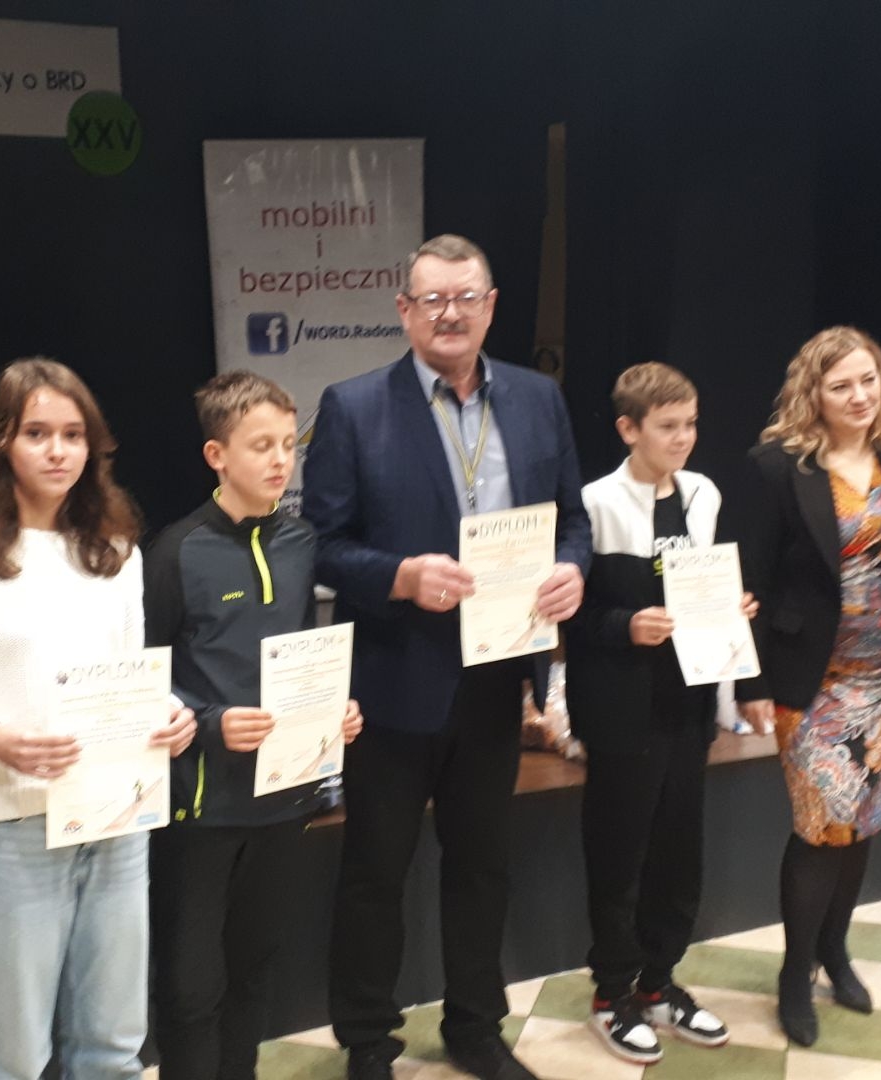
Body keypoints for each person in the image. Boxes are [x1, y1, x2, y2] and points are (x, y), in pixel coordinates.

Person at [302, 234, 592, 1080]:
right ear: (405, 311)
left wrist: (571, 569)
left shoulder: (538, 399)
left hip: (499, 680)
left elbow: (572, 519)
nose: (450, 313)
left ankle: (475, 1027)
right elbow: (321, 544)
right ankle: (367, 1040)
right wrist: (399, 576)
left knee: (481, 868)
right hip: (395, 682)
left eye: (466, 297)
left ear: (491, 306)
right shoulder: (353, 407)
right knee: (374, 874)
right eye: (432, 299)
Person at [0, 358, 197, 1079]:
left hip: (117, 822)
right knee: (15, 1059)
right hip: (19, 833)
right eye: (37, 433)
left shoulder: (115, 556)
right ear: (2, 443)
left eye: (73, 434)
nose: (58, 451)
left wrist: (167, 712)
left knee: (114, 1049)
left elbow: (127, 676)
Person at [734, 326, 881, 1047]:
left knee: (862, 820)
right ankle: (794, 972)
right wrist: (748, 680)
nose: (859, 396)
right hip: (813, 682)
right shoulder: (778, 467)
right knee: (820, 827)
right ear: (813, 395)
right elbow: (751, 581)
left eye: (869, 380)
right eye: (841, 385)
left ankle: (834, 951)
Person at [143, 370, 364, 1080]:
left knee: (254, 966)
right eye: (260, 445)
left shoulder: (300, 542)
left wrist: (332, 708)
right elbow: (143, 676)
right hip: (201, 804)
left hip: (283, 797)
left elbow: (300, 656)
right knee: (190, 984)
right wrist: (210, 724)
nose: (280, 460)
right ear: (217, 455)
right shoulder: (175, 552)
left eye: (288, 445)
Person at [565, 363, 755, 1062]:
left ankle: (658, 982)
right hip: (621, 709)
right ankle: (611, 993)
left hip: (688, 702)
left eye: (691, 424)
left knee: (679, 852)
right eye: (668, 426)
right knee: (620, 853)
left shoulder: (704, 494)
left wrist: (733, 607)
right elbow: (570, 613)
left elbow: (712, 585)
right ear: (629, 428)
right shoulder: (594, 504)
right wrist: (625, 626)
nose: (684, 438)